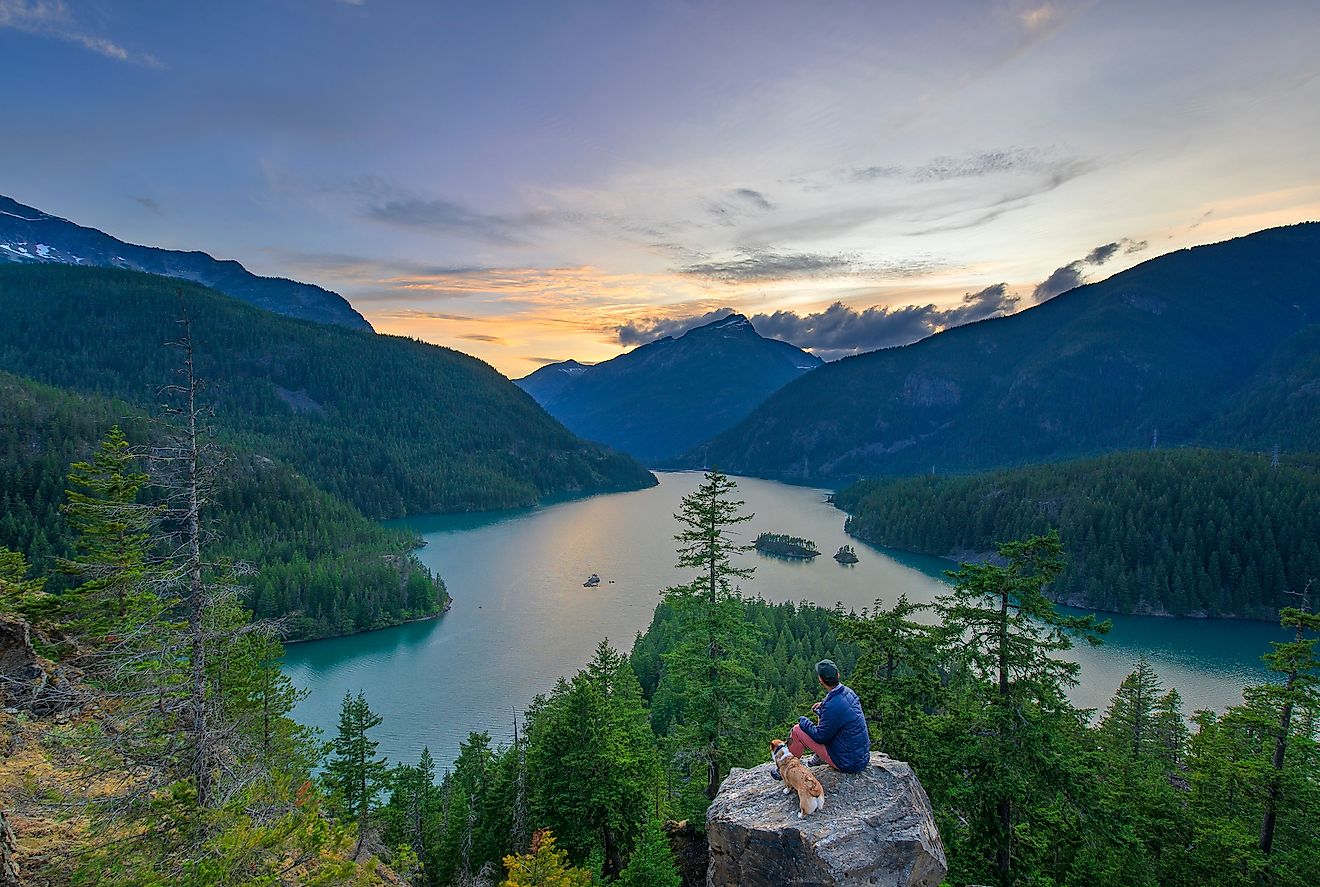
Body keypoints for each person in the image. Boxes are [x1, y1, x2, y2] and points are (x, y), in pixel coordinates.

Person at [784, 659, 871, 774]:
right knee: (821, 712)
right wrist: (823, 706)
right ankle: (819, 757)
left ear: (821, 680)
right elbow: (841, 711)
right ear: (838, 675)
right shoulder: (848, 692)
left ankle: (786, 768)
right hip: (861, 758)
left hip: (847, 763)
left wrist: (803, 721)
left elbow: (820, 737)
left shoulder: (831, 706)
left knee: (796, 730)